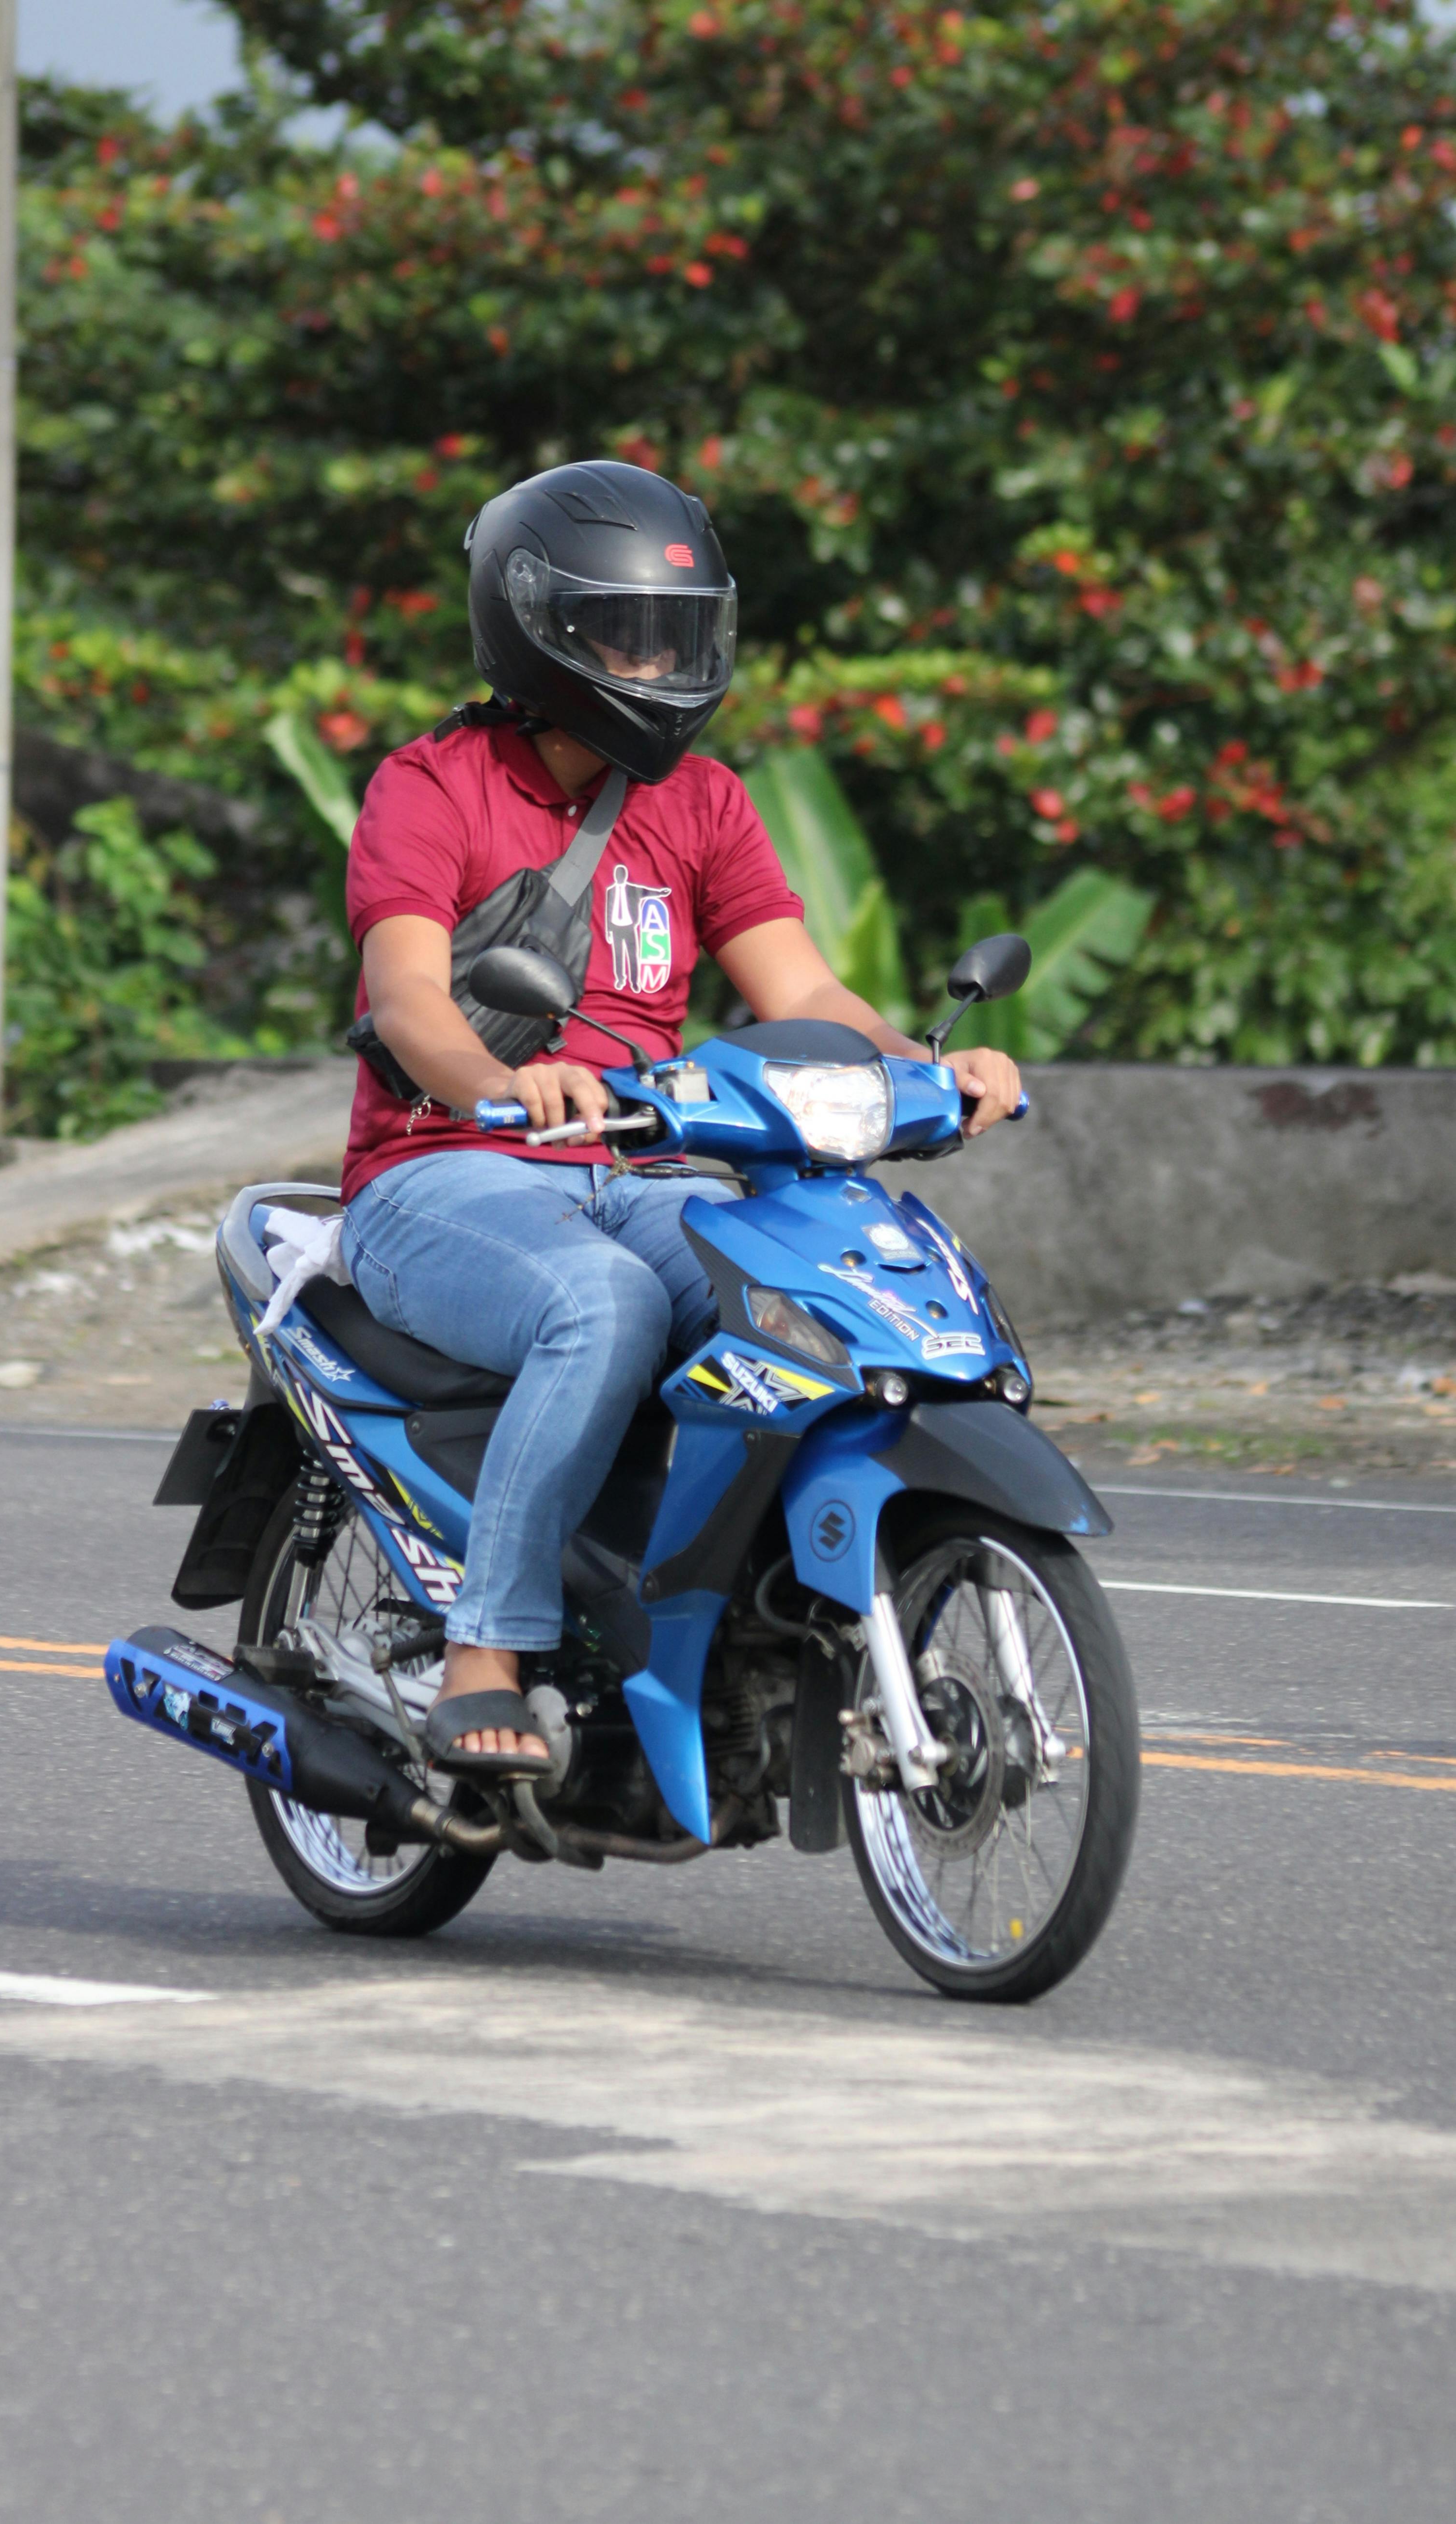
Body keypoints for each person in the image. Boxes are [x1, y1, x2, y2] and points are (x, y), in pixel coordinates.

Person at [339, 460, 1022, 1775]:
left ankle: (720, 1608)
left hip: (641, 1167)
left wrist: (932, 1064)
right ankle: (487, 1649)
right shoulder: (432, 787)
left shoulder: (702, 801)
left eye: (679, 632)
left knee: (811, 1297)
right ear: (537, 629)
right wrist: (500, 1082)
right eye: (628, 632)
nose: (661, 661)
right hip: (444, 1176)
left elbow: (803, 990)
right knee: (604, 1305)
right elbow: (412, 998)